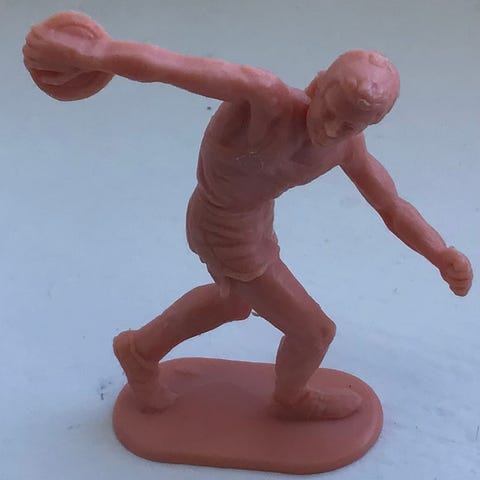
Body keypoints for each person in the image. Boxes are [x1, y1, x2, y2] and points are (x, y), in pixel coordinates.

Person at [23, 18, 473, 421]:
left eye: (351, 125)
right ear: (317, 84)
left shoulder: (345, 148)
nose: (332, 129)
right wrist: (92, 52)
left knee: (234, 302)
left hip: (255, 224)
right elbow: (168, 65)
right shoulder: (266, 99)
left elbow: (391, 205)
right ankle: (290, 400)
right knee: (314, 332)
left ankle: (139, 350)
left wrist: (440, 253)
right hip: (222, 227)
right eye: (330, 112)